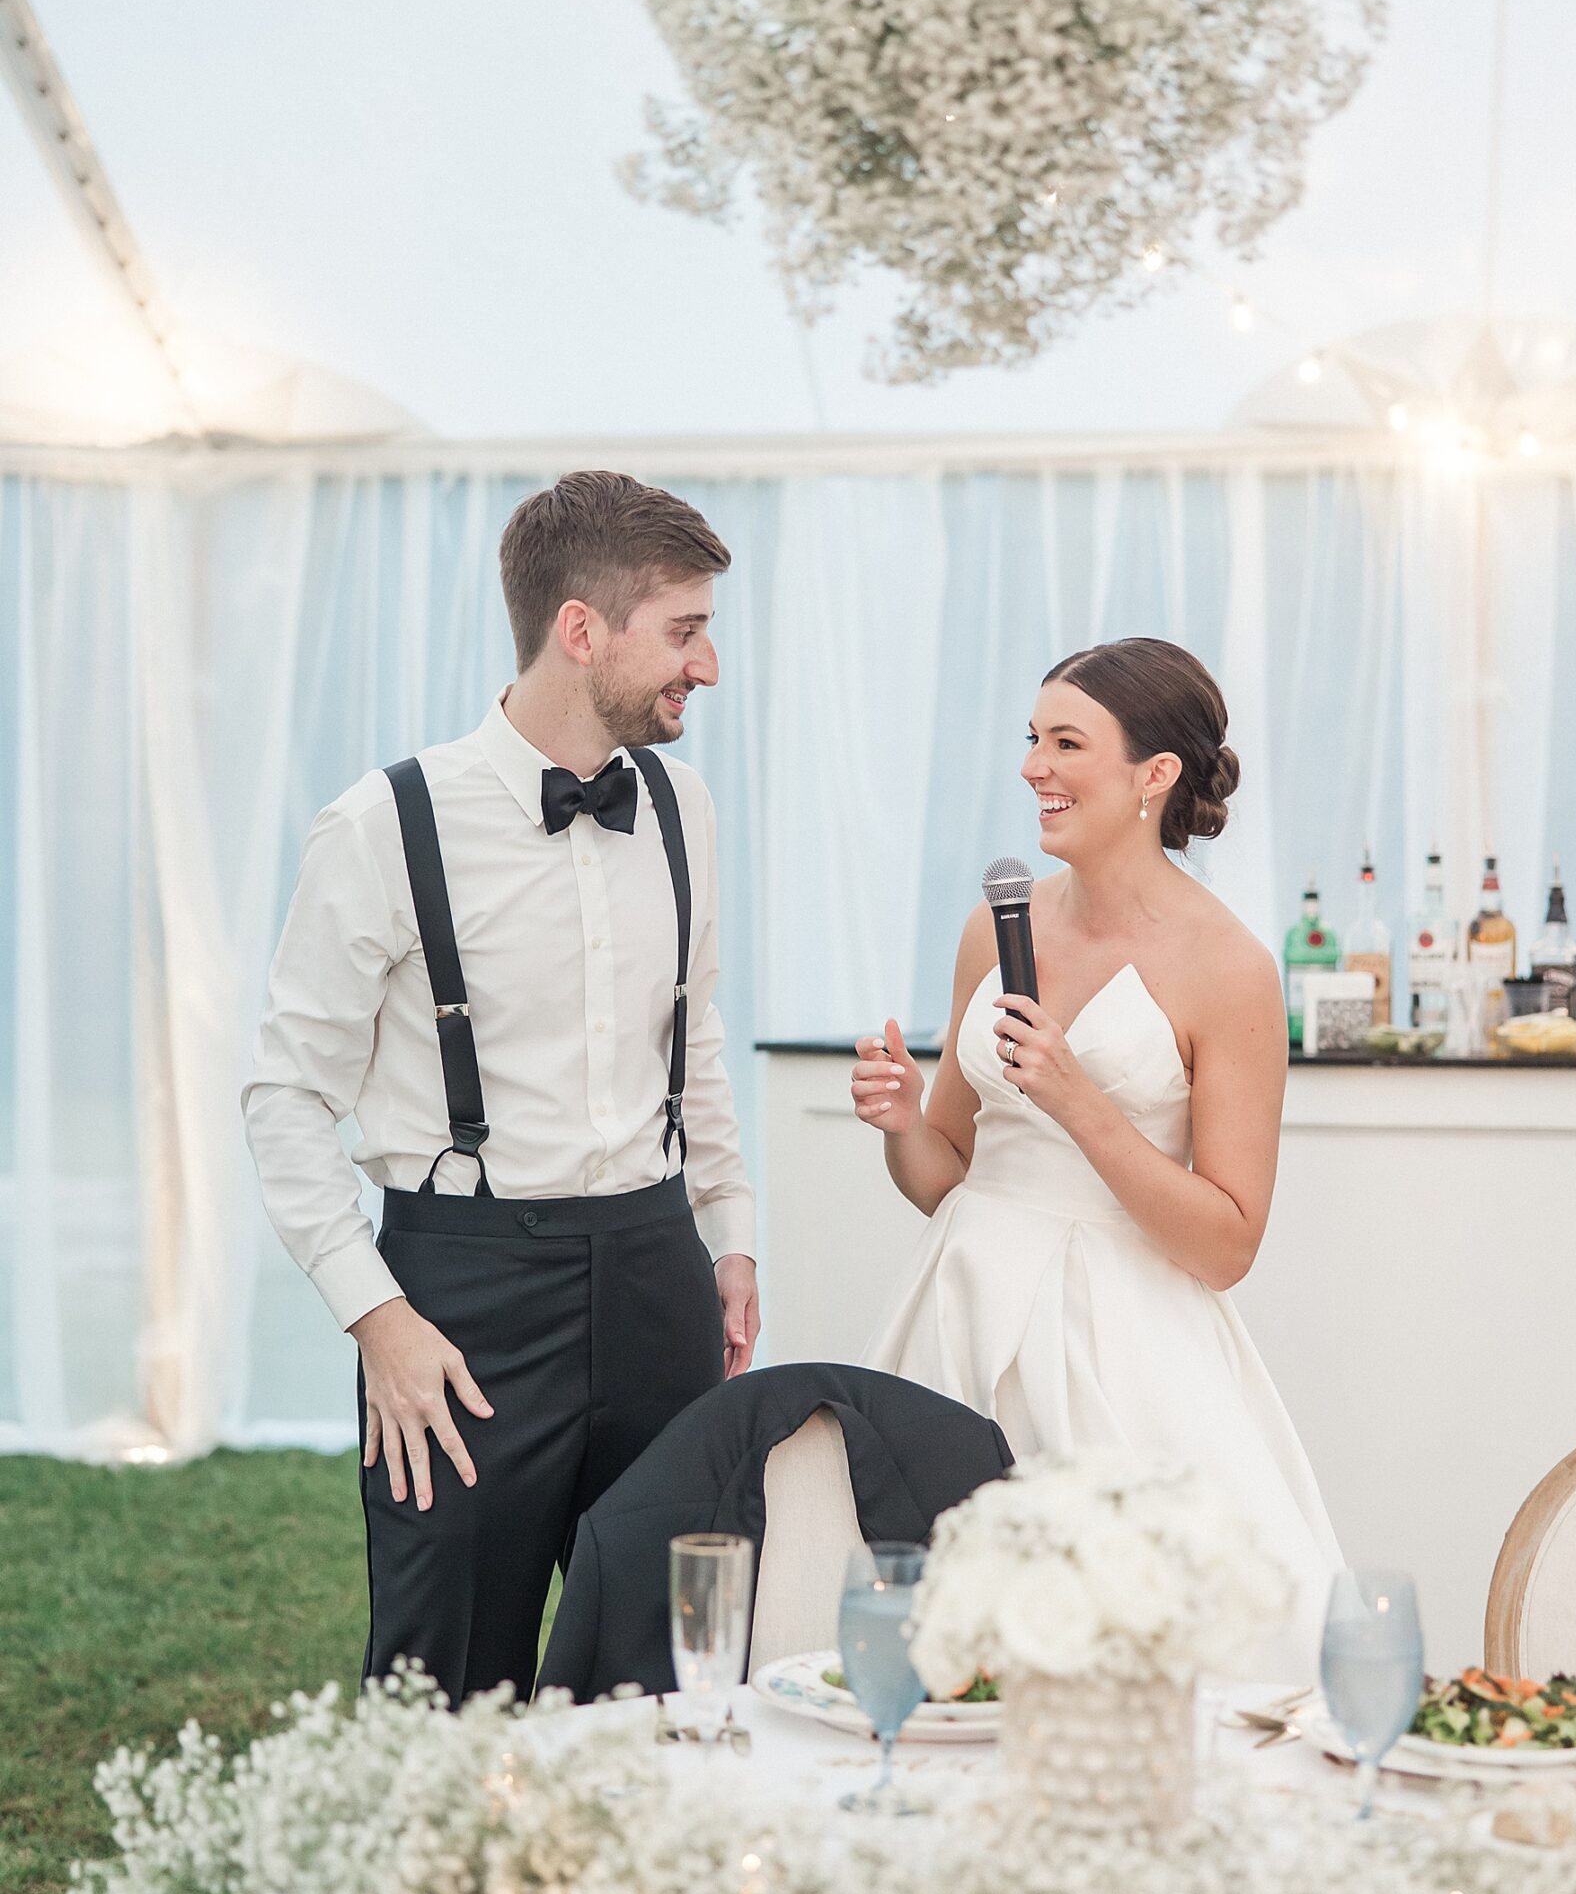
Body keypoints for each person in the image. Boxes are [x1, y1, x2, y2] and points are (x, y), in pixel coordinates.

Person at [243, 471, 759, 1708]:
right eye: (684, 630)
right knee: (446, 1680)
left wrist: (728, 1240)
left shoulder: (682, 807)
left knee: (669, 1668)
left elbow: (693, 1045)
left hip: (656, 1276)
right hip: (463, 1303)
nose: (711, 665)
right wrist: (379, 1318)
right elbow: (285, 1099)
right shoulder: (381, 825)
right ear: (581, 629)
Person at [853, 637, 1338, 1676]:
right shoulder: (995, 925)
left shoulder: (1231, 968)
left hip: (1121, 1346)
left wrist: (1080, 1100)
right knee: (937, 1642)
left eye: (1067, 742)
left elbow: (1227, 1243)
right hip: (961, 1312)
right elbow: (946, 1172)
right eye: (1033, 739)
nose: (1035, 765)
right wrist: (902, 1122)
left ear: (1153, 776)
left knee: (1126, 1651)